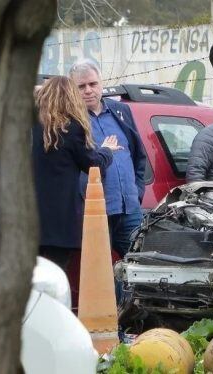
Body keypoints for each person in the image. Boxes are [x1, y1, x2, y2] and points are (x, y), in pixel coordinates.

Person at [32, 76, 121, 271]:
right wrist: (106, 150)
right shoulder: (71, 128)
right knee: (55, 278)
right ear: (71, 98)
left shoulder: (31, 128)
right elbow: (93, 164)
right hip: (59, 221)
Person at [69, 59, 147, 257]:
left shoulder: (120, 111)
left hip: (130, 208)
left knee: (136, 268)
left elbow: (138, 155)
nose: (88, 90)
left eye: (93, 84)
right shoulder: (69, 120)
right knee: (99, 270)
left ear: (101, 83)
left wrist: (137, 192)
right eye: (81, 86)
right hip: (94, 211)